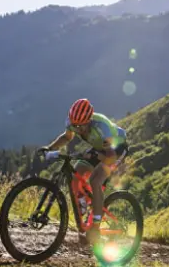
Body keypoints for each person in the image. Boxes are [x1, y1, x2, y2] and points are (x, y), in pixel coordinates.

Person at [39, 99, 128, 244]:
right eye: (75, 126)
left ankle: (95, 226)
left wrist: (98, 156)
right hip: (99, 147)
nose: (78, 129)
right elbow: (67, 137)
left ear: (89, 121)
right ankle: (84, 206)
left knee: (95, 180)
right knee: (76, 175)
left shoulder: (102, 128)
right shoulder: (73, 123)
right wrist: (50, 148)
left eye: (81, 126)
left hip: (115, 149)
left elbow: (110, 157)